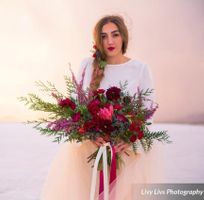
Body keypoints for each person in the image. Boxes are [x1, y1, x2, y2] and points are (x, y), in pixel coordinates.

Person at [40, 15, 165, 200]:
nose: (110, 41)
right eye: (104, 36)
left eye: (114, 34)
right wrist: (90, 134)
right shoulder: (88, 65)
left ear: (123, 36)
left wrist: (130, 140)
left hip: (125, 154)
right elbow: (77, 108)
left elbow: (147, 113)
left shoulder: (140, 69)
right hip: (89, 151)